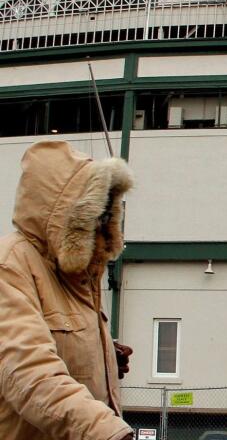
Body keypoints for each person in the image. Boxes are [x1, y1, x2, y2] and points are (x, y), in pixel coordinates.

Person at [0, 141, 136, 440]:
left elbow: (55, 336)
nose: (101, 222)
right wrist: (110, 434)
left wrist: (101, 356)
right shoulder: (10, 266)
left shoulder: (77, 274)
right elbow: (29, 374)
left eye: (105, 212)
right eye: (93, 212)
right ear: (65, 215)